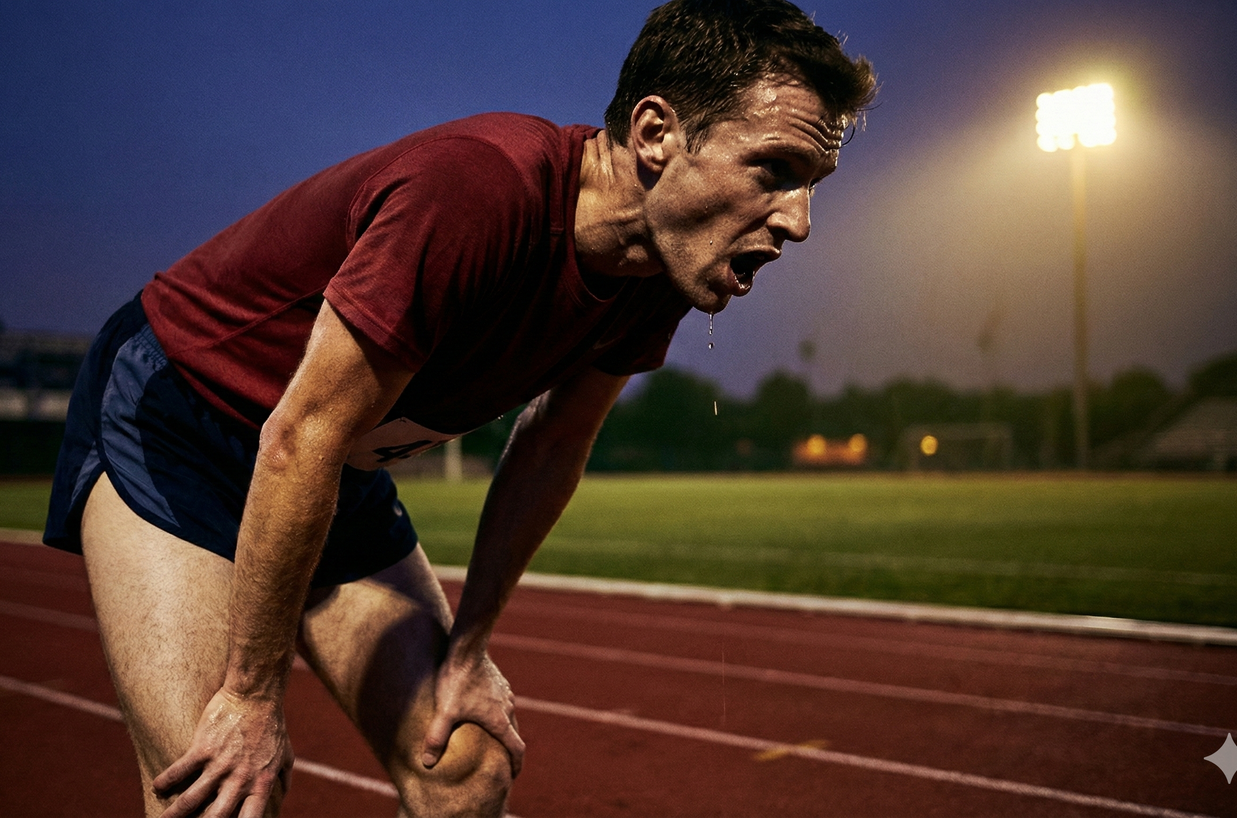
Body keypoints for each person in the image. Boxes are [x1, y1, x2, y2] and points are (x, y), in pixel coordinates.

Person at [43, 1, 875, 815]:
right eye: (774, 169)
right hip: (185, 417)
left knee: (464, 768)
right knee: (217, 793)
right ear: (656, 135)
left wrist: (469, 648)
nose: (799, 222)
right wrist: (252, 695)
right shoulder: (477, 191)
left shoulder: (655, 273)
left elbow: (553, 445)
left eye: (813, 185)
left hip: (334, 466)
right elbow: (301, 435)